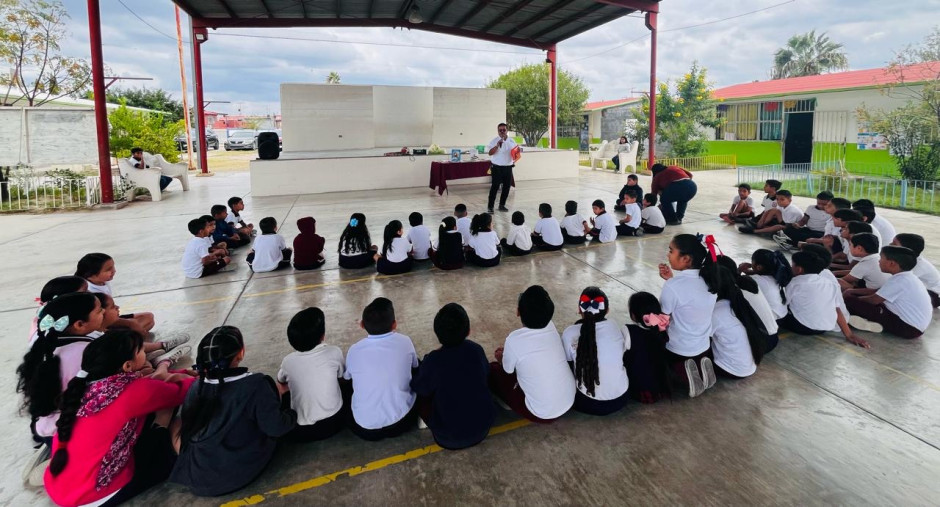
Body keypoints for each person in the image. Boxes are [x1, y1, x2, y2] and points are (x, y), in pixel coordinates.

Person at [43, 330, 195, 507]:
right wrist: (188, 374)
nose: (144, 353)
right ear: (128, 366)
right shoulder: (135, 391)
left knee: (154, 408)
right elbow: (183, 391)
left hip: (59, 487)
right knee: (175, 431)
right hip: (94, 496)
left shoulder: (83, 387)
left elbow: (153, 386)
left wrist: (167, 375)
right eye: (140, 350)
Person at [172, 326, 296, 496]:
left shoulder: (196, 387)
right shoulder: (256, 384)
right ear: (241, 353)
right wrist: (292, 414)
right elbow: (276, 428)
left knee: (178, 421)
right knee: (277, 403)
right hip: (235, 474)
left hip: (198, 477)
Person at [17, 293, 104, 444]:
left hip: (46, 430)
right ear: (80, 324)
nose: (103, 312)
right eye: (99, 310)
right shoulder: (87, 351)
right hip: (75, 431)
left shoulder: (41, 348)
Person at [411, 303, 495, 450]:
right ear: (468, 331)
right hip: (483, 429)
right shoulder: (476, 350)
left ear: (437, 334)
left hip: (447, 437)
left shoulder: (433, 360)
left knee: (419, 393)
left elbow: (419, 387)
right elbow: (487, 373)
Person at [490, 285, 575, 422]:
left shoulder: (514, 339)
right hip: (569, 400)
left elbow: (508, 370)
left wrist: (501, 358)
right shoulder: (551, 326)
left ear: (518, 312)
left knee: (494, 371)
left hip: (541, 413)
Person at [344, 298, 419, 440]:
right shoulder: (405, 342)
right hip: (402, 422)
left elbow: (347, 378)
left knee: (346, 387)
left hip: (364, 429)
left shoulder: (354, 350)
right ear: (394, 324)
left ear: (361, 325)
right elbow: (415, 366)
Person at [657, 234, 719, 397]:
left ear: (685, 259)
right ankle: (700, 364)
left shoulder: (674, 286)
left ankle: (683, 374)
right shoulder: (710, 279)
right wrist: (670, 280)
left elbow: (663, 320)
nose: (668, 255)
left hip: (679, 348)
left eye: (671, 251)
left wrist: (670, 283)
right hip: (703, 345)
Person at [277, 308, 347, 442]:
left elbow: (281, 382)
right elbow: (341, 377)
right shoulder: (334, 352)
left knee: (283, 392)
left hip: (302, 430)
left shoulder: (288, 361)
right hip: (335, 423)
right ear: (322, 336)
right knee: (343, 384)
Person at [561, 287, 630, 415]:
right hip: (621, 398)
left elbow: (568, 365)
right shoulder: (613, 326)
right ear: (607, 310)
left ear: (579, 309)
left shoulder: (570, 333)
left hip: (587, 402)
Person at [779, 249, 869, 348]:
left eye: (793, 265)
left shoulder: (795, 283)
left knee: (777, 308)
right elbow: (836, 308)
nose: (791, 267)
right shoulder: (829, 282)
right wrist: (849, 334)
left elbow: (784, 303)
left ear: (799, 269)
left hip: (803, 327)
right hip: (824, 328)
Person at [844, 246, 933, 339]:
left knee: (850, 301)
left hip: (908, 328)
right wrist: (853, 291)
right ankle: (869, 322)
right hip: (911, 326)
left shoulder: (900, 280)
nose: (878, 261)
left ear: (891, 263)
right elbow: (878, 291)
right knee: (856, 300)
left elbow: (874, 300)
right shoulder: (906, 277)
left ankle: (868, 321)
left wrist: (854, 299)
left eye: (881, 258)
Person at [75, 252, 155, 338]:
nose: (114, 271)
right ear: (91, 275)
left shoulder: (103, 282)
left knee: (148, 317)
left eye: (113, 267)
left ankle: (127, 336)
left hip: (110, 317)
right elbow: (99, 319)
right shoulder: (88, 291)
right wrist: (130, 323)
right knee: (137, 326)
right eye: (108, 270)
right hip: (100, 322)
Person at [623, 292, 670, 403]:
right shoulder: (662, 328)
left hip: (639, 388)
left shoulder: (628, 331)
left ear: (633, 315)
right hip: (660, 387)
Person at [738, 249, 792, 321]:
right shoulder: (776, 277)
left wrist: (739, 270)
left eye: (752, 261)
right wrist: (753, 272)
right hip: (782, 316)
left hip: (772, 321)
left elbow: (731, 283)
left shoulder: (755, 280)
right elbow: (762, 278)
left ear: (759, 267)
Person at [893, 233, 940, 307]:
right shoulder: (907, 260)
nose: (890, 245)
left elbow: (900, 283)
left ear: (907, 249)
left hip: (932, 295)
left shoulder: (918, 266)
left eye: (894, 244)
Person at [486, 123, 518, 213]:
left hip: (508, 167)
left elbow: (516, 152)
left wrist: (516, 157)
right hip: (496, 167)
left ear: (507, 131)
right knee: (495, 187)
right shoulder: (494, 141)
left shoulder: (512, 141)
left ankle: (502, 205)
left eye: (504, 130)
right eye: (500, 130)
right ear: (498, 131)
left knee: (506, 187)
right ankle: (490, 207)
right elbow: (490, 153)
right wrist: (497, 146)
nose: (502, 132)